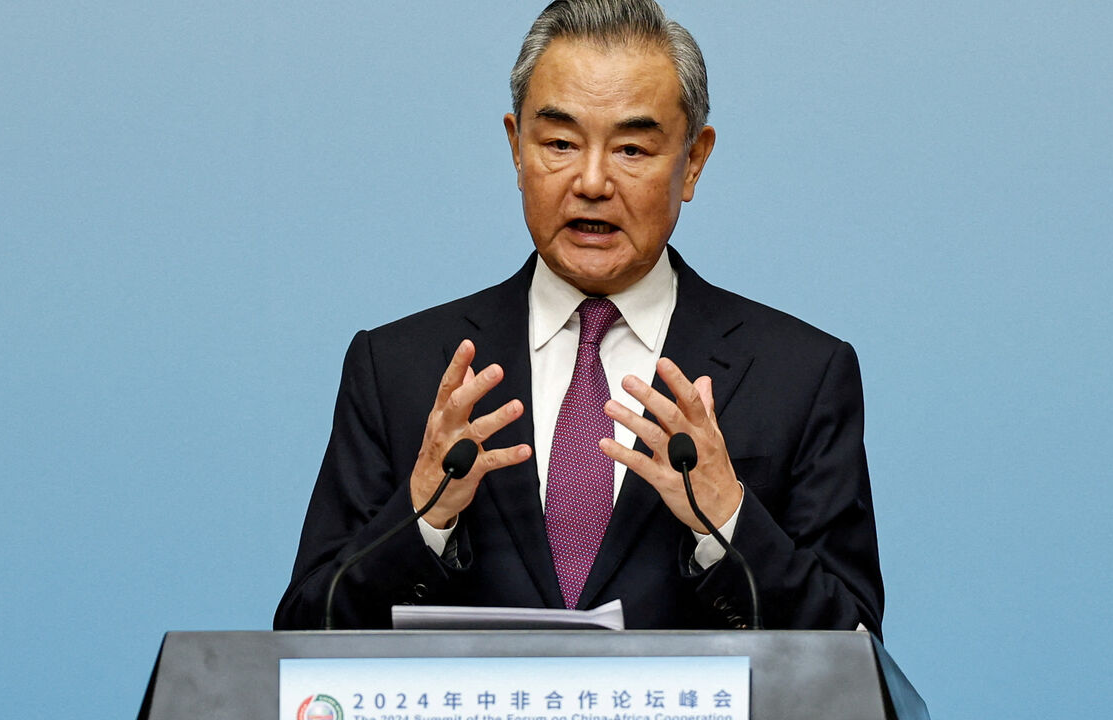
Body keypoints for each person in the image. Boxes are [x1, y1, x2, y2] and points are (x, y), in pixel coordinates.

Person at [275, 0, 884, 634]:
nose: (592, 182)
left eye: (632, 149)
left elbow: (856, 652)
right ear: (516, 148)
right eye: (560, 143)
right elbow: (301, 632)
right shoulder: (399, 369)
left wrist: (728, 519)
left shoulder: (800, 375)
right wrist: (422, 515)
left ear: (693, 162)